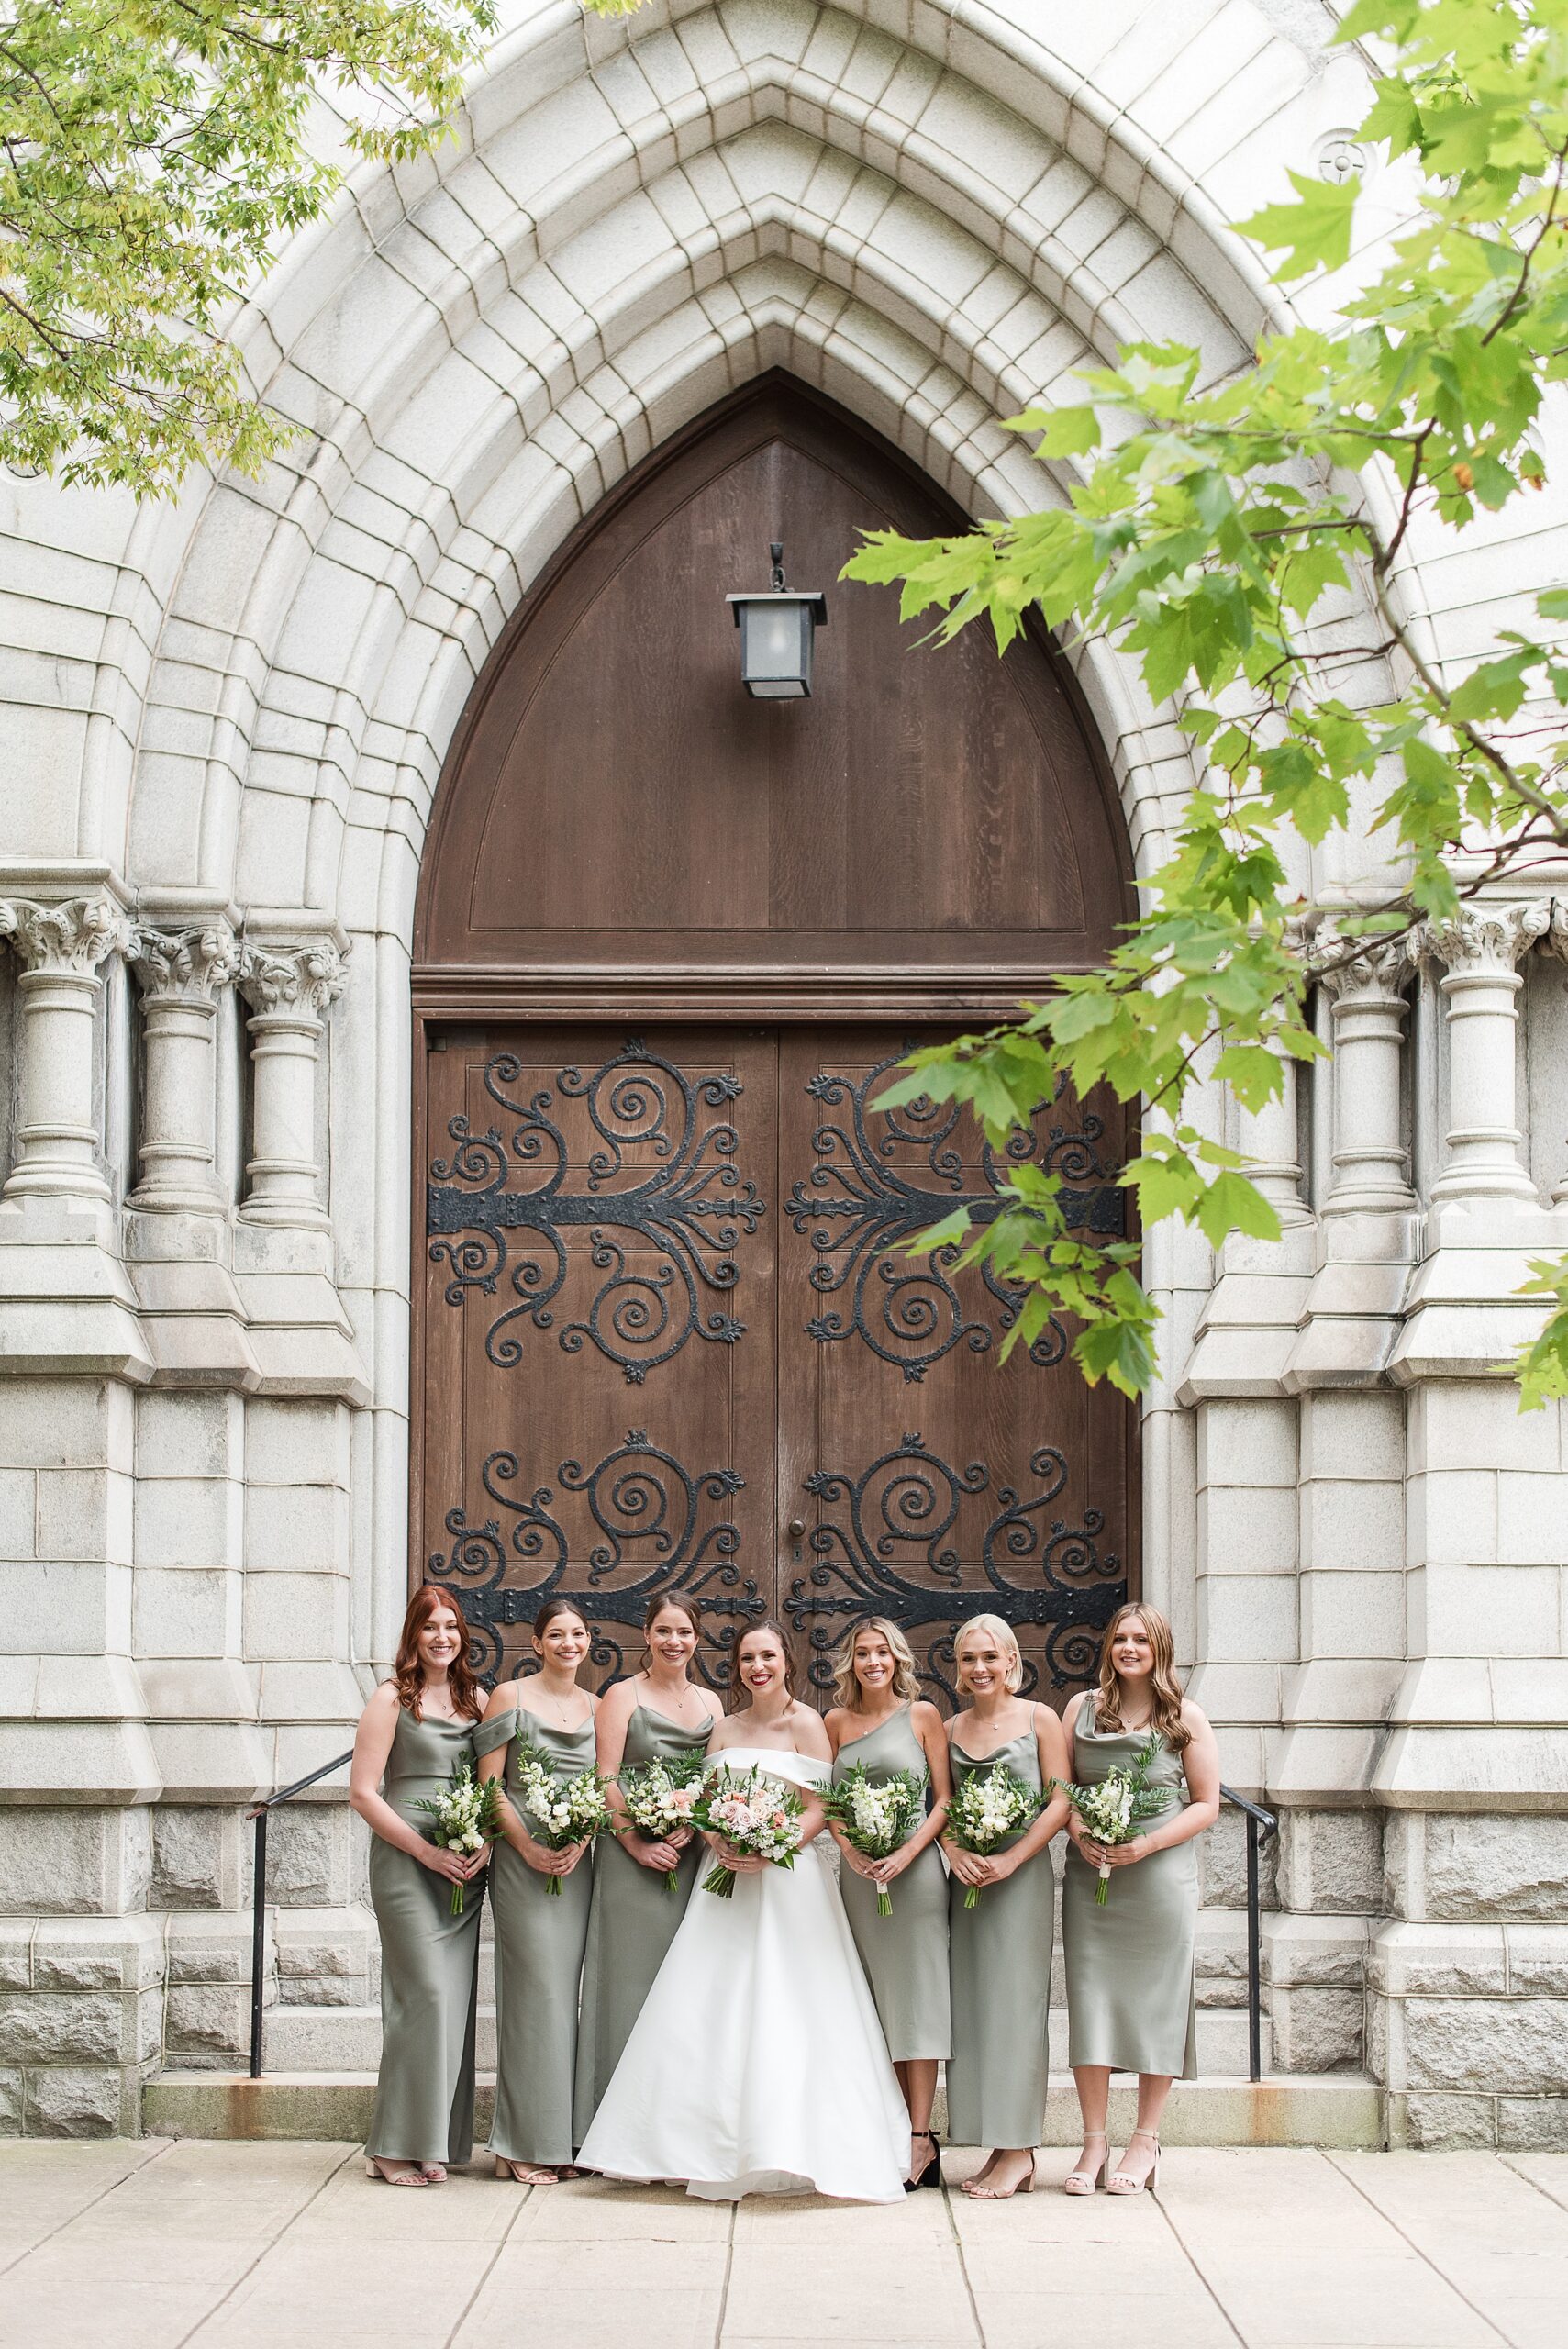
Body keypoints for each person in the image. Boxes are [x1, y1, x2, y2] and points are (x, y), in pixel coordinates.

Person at [577, 1619, 911, 2201]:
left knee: (796, 2002)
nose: (759, 1667)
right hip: (725, 1880)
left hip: (789, 1883)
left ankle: (797, 2141)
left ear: (787, 1662)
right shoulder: (725, 1729)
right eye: (748, 1658)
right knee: (710, 2003)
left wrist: (778, 1844)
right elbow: (706, 1802)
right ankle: (696, 2144)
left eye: (769, 1657)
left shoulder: (808, 1723)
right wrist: (720, 1839)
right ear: (738, 1667)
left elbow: (818, 1806)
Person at [1060, 1603, 1218, 2196]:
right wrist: (1082, 1834)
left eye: (1140, 1640)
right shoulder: (1079, 1710)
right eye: (1119, 1639)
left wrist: (1145, 1844)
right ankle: (1092, 2142)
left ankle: (1144, 2140)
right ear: (1108, 1647)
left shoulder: (1184, 1717)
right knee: (1091, 2001)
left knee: (1156, 2005)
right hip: (1091, 1879)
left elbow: (1206, 1803)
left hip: (1156, 1881)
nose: (1128, 1648)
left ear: (1158, 1650)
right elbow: (1063, 1790)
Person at [351, 1584, 488, 2186]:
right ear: (413, 1634)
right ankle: (391, 2145)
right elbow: (362, 1792)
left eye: (451, 1627)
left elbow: (493, 1781)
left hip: (461, 1865)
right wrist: (427, 1852)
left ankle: (430, 2139)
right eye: (430, 1626)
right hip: (409, 1862)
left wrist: (482, 1841)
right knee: (423, 1998)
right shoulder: (390, 1699)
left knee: (451, 2006)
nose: (442, 1637)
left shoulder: (476, 1698)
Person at [573, 1592, 719, 2141]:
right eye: (663, 1631)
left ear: (697, 1639)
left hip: (689, 1857)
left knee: (684, 1988)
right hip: (630, 1858)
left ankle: (674, 2126)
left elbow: (715, 1776)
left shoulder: (712, 1703)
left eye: (684, 1632)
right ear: (647, 1636)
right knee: (627, 1982)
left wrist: (696, 1822)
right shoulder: (621, 1695)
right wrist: (635, 1841)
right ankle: (614, 2129)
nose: (674, 1642)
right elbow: (606, 1774)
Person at [942, 1613, 1069, 2200]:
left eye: (990, 1656)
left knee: (1017, 2008)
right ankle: (996, 2144)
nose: (980, 1668)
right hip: (968, 1883)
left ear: (1013, 1661)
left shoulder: (1040, 1719)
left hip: (1019, 1881)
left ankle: (1019, 2151)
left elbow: (1059, 1802)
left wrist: (1013, 1860)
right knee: (975, 2011)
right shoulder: (948, 1728)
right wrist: (954, 1848)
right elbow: (936, 1804)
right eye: (969, 1659)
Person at [476, 1597, 600, 2183]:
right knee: (535, 1997)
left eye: (577, 1634)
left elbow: (605, 1787)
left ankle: (558, 2138)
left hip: (578, 1867)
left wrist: (582, 1838)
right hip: (522, 1865)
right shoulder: (511, 1696)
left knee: (567, 1999)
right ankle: (521, 2142)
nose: (568, 1644)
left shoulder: (600, 1707)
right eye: (556, 1634)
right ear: (537, 1643)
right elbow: (491, 1786)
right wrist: (526, 1847)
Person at [825, 1616, 951, 2189]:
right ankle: (882, 2126)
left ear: (899, 1658)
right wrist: (849, 1850)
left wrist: (908, 1853)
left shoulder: (922, 1717)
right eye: (862, 1653)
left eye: (882, 1652)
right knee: (872, 2003)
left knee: (916, 2001)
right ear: (848, 1662)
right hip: (859, 1876)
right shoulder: (834, 1722)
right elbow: (825, 1798)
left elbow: (944, 1799)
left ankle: (921, 2138)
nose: (873, 1661)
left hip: (915, 1875)